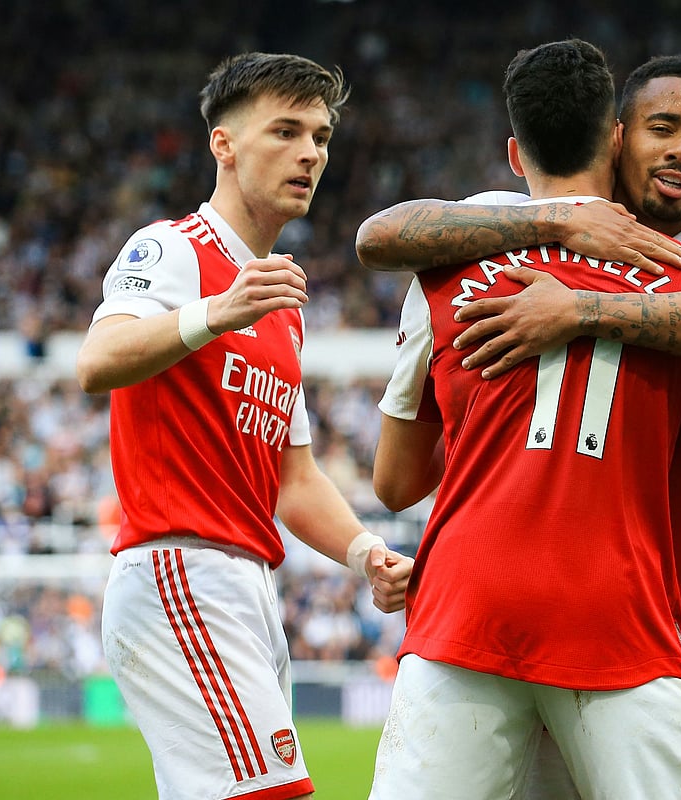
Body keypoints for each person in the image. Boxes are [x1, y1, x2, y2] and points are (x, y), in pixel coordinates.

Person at [357, 54, 681, 799]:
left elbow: (398, 477)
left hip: (551, 609)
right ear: (617, 139)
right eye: (663, 128)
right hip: (624, 620)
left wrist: (579, 312)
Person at [75, 52, 412, 800]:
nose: (310, 154)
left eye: (321, 137)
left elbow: (292, 477)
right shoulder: (170, 248)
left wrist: (364, 555)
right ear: (223, 145)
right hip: (179, 570)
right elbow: (97, 361)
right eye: (286, 131)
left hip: (249, 585)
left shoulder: (281, 304)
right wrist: (214, 312)